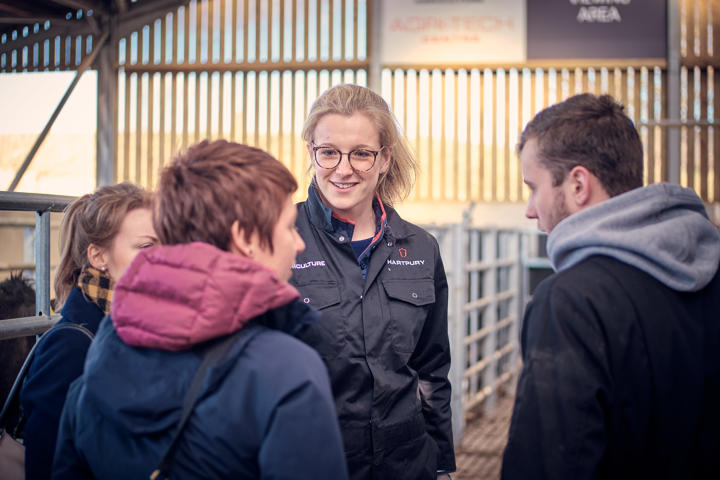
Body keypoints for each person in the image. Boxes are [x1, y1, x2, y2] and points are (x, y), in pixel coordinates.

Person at [53, 140, 349, 480]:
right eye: (288, 227)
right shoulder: (285, 370)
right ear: (245, 238)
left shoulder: (104, 349)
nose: (299, 243)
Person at [502, 93, 720, 479]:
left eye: (533, 187)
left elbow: (548, 463)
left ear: (578, 186)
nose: (531, 208)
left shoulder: (570, 302)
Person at [290, 84, 455, 479]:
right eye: (328, 152)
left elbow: (431, 369)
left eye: (362, 154)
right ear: (312, 153)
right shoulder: (278, 238)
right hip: (312, 463)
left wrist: (443, 465)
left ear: (384, 159)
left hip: (406, 464)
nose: (343, 169)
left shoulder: (420, 246)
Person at [20, 182, 156, 480]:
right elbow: (47, 465)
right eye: (146, 247)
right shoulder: (71, 345)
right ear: (98, 257)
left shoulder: (140, 325)